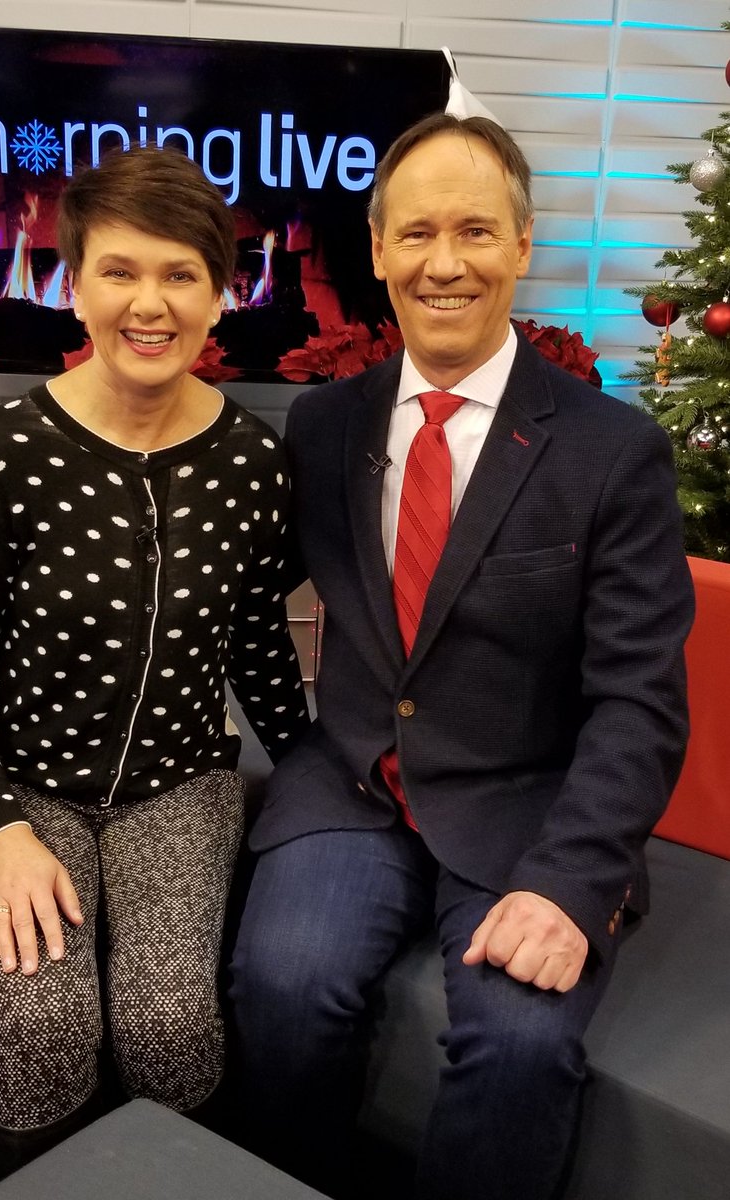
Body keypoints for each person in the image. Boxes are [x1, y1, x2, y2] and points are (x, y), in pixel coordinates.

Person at [228, 113, 694, 1200]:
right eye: (418, 233)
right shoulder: (323, 427)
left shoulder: (612, 451)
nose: (445, 263)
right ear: (378, 251)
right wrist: (298, 749)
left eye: (476, 231)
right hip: (351, 788)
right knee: (282, 988)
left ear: (522, 244)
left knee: (521, 1048)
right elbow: (238, 599)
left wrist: (573, 885)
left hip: (528, 802)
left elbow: (639, 702)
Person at [0, 146, 310, 1172]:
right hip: (11, 790)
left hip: (177, 791)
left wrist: (323, 784)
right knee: (44, 1025)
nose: (150, 303)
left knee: (170, 1029)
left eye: (182, 274)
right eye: (120, 271)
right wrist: (1, 834)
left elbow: (259, 647)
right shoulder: (7, 451)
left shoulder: (253, 462)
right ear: (76, 284)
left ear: (219, 295)